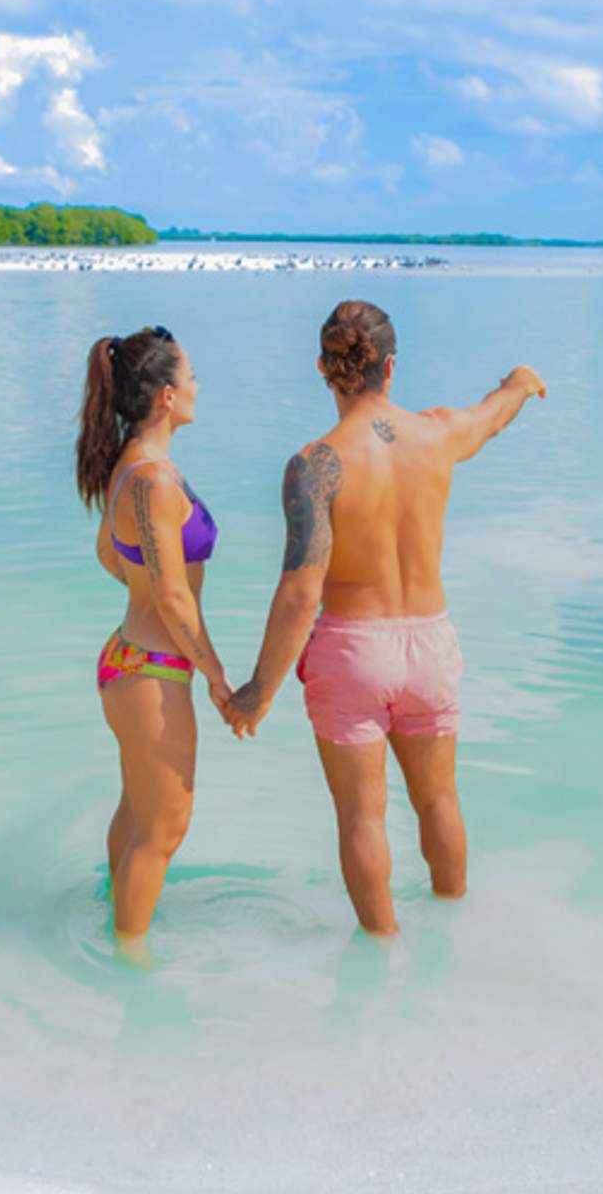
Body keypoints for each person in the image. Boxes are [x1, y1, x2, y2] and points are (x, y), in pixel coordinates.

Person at [224, 300, 546, 935]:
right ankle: (454, 930)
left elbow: (300, 593)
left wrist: (257, 693)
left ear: (322, 366)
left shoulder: (315, 465)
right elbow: (492, 418)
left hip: (353, 652)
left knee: (362, 820)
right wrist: (519, 383)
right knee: (439, 800)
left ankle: (382, 951)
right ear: (391, 367)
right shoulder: (437, 434)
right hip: (430, 643)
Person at [76, 324, 230, 945]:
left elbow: (107, 555)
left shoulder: (129, 467)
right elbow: (172, 595)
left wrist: (143, 592)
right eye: (190, 376)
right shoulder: (156, 480)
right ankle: (129, 961)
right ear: (167, 395)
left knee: (138, 814)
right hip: (155, 671)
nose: (197, 386)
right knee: (163, 829)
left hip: (127, 659)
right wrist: (220, 680)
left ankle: (116, 922)